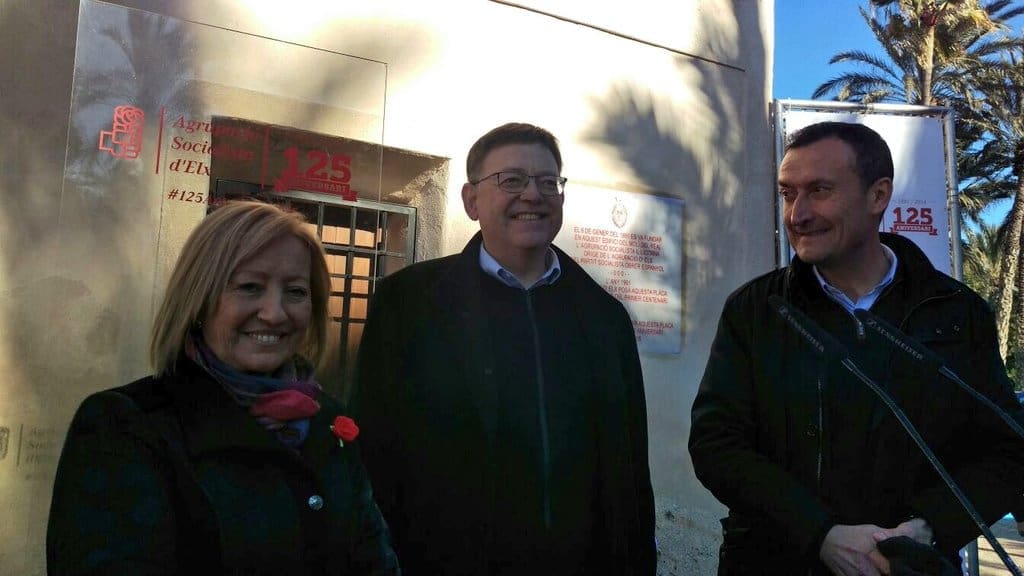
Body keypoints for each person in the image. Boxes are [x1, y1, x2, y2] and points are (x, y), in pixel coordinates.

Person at [688, 121, 1024, 576]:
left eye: (819, 191)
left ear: (878, 195)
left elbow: (1005, 451)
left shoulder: (956, 314)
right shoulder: (755, 310)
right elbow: (716, 444)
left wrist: (927, 529)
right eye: (788, 193)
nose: (797, 214)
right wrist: (820, 534)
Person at [354, 122, 656, 575]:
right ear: (471, 201)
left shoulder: (605, 317)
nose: (532, 194)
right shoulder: (408, 304)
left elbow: (630, 466)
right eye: (511, 180)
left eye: (547, 182)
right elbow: (373, 448)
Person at [47, 201, 399, 575]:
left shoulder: (328, 421)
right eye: (249, 287)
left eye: (295, 291)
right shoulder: (127, 427)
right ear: (199, 300)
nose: (275, 313)